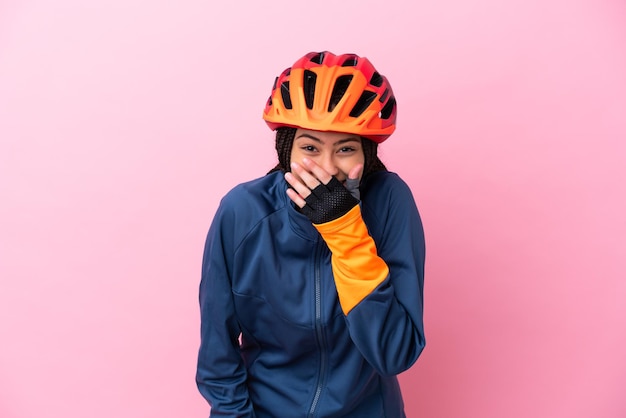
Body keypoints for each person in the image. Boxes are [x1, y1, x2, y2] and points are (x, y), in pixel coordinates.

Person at [196, 51, 426, 417]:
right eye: (309, 148)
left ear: (367, 153)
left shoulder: (389, 202)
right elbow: (217, 356)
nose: (327, 167)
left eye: (346, 149)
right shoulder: (242, 211)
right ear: (286, 149)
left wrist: (345, 232)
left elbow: (394, 353)